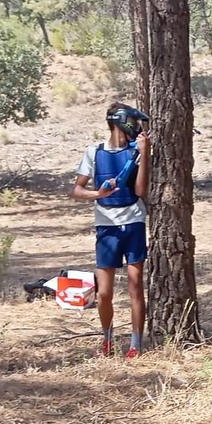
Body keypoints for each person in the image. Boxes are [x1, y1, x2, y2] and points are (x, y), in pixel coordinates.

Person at [72, 104, 151, 358]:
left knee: (135, 286)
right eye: (132, 121)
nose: (138, 127)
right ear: (120, 122)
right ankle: (107, 339)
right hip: (106, 226)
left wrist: (144, 154)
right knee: (104, 292)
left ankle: (135, 344)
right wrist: (98, 193)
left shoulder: (136, 152)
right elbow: (77, 190)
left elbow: (140, 191)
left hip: (134, 221)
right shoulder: (94, 152)